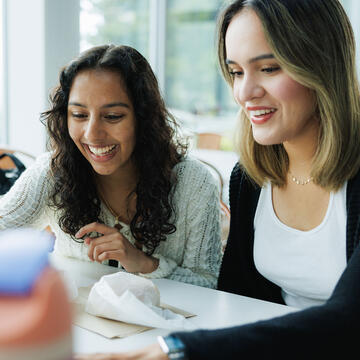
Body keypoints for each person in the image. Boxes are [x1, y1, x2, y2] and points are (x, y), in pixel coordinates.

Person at [74, 0, 360, 359]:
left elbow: (350, 323)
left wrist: (174, 350)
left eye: (268, 68)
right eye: (236, 72)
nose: (244, 93)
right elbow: (236, 301)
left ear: (322, 65)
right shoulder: (252, 179)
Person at [0, 44, 222, 288]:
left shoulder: (194, 183)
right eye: (79, 115)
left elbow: (208, 283)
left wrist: (143, 263)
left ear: (143, 118)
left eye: (113, 116)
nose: (92, 134)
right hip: (79, 323)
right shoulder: (53, 172)